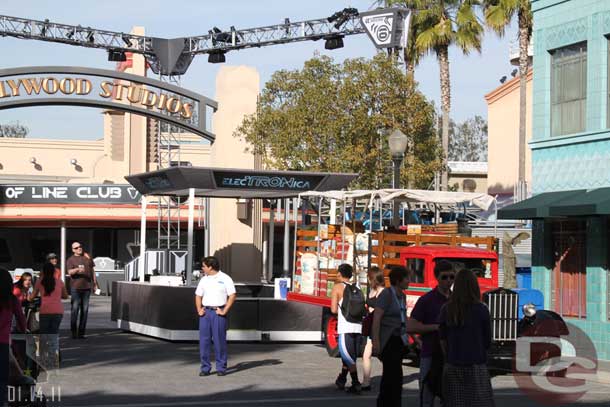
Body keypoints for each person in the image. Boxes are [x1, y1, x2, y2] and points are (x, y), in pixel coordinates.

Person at [439, 269, 494, 407]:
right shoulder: (481, 309)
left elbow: (443, 339)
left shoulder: (447, 309)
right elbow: (487, 340)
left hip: (453, 364)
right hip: (476, 365)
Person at [410, 260, 454, 407]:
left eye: (451, 277)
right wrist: (435, 327)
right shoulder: (427, 300)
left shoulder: (457, 300)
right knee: (427, 394)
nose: (449, 281)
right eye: (444, 277)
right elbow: (411, 325)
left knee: (450, 397)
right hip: (430, 353)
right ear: (437, 278)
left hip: (452, 356)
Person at [372, 265, 410, 407]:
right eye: (407, 278)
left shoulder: (403, 296)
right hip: (388, 340)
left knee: (395, 377)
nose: (409, 281)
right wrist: (376, 341)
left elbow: (403, 318)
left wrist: (415, 338)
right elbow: (377, 318)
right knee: (391, 377)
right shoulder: (387, 294)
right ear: (398, 280)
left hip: (399, 340)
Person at [194, 256, 236, 377]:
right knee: (204, 342)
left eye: (204, 266)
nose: (202, 268)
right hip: (206, 313)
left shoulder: (225, 278)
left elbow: (232, 295)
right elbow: (198, 295)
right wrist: (199, 310)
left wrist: (225, 310)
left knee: (219, 341)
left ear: (210, 267)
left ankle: (221, 368)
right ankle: (205, 368)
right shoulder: (204, 280)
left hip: (218, 313)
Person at [330, 263, 364, 394]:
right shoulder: (357, 286)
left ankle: (356, 383)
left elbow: (333, 309)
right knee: (350, 355)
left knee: (348, 356)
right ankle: (342, 379)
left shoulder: (337, 287)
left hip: (346, 326)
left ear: (339, 273)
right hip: (358, 325)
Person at [29, 262, 68, 369]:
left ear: (43, 271)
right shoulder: (59, 282)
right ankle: (53, 361)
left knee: (43, 336)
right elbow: (65, 296)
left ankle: (43, 360)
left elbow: (32, 297)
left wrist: (28, 298)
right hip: (58, 311)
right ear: (54, 271)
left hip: (45, 311)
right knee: (54, 336)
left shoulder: (39, 281)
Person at [1, 268, 27, 407]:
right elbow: (21, 319)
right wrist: (24, 331)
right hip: (3, 344)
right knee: (2, 378)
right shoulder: (11, 300)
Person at [66, 241, 97, 339]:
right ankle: (74, 332)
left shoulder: (87, 257)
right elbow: (69, 272)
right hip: (75, 288)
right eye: (76, 247)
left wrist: (95, 283)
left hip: (87, 287)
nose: (79, 248)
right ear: (73, 250)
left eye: (80, 246)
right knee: (75, 310)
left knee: (85, 310)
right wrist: (77, 270)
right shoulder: (70, 260)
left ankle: (81, 333)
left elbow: (92, 270)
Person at [362, 266, 385, 391]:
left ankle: (389, 379)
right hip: (371, 325)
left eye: (369, 277)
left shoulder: (382, 292)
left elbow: (383, 309)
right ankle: (366, 381)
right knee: (366, 354)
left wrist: (373, 310)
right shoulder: (371, 290)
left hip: (380, 326)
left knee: (382, 355)